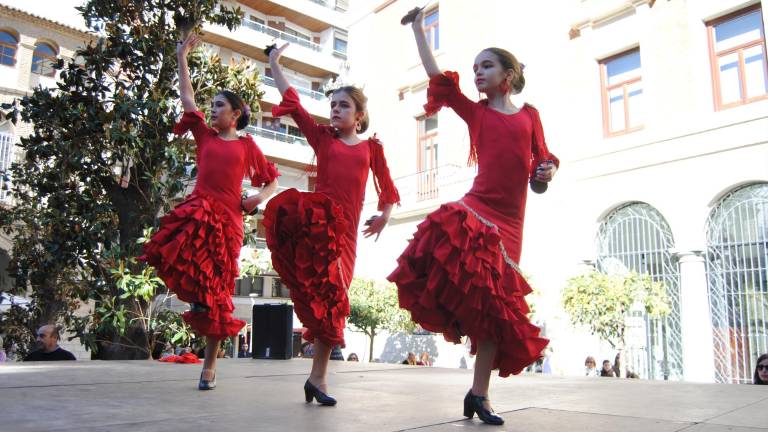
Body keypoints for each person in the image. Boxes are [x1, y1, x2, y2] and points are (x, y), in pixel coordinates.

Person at [388, 8, 557, 427]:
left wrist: (546, 171)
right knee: (481, 302)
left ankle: (477, 393)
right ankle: (480, 395)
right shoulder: (476, 112)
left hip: (512, 224)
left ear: (508, 74)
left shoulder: (529, 115)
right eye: (475, 67)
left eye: (486, 66)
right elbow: (435, 77)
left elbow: (541, 169)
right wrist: (417, 30)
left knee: (495, 313)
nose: (477, 73)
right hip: (478, 210)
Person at [139, 32, 279, 391]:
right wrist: (181, 56)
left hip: (228, 222)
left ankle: (210, 365)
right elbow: (187, 98)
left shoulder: (248, 147)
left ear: (235, 114)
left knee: (219, 294)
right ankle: (198, 307)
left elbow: (270, 181)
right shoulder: (204, 136)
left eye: (219, 105)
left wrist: (256, 199)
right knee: (173, 256)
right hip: (198, 213)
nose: (212, 109)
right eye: (212, 105)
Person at [263, 43, 400, 407]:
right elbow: (292, 101)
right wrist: (275, 63)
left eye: (343, 106)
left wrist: (384, 217)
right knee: (329, 299)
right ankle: (319, 378)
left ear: (359, 115)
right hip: (318, 228)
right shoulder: (322, 138)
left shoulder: (372, 148)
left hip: (348, 234)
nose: (336, 110)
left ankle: (316, 378)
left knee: (334, 304)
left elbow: (387, 189)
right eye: (333, 105)